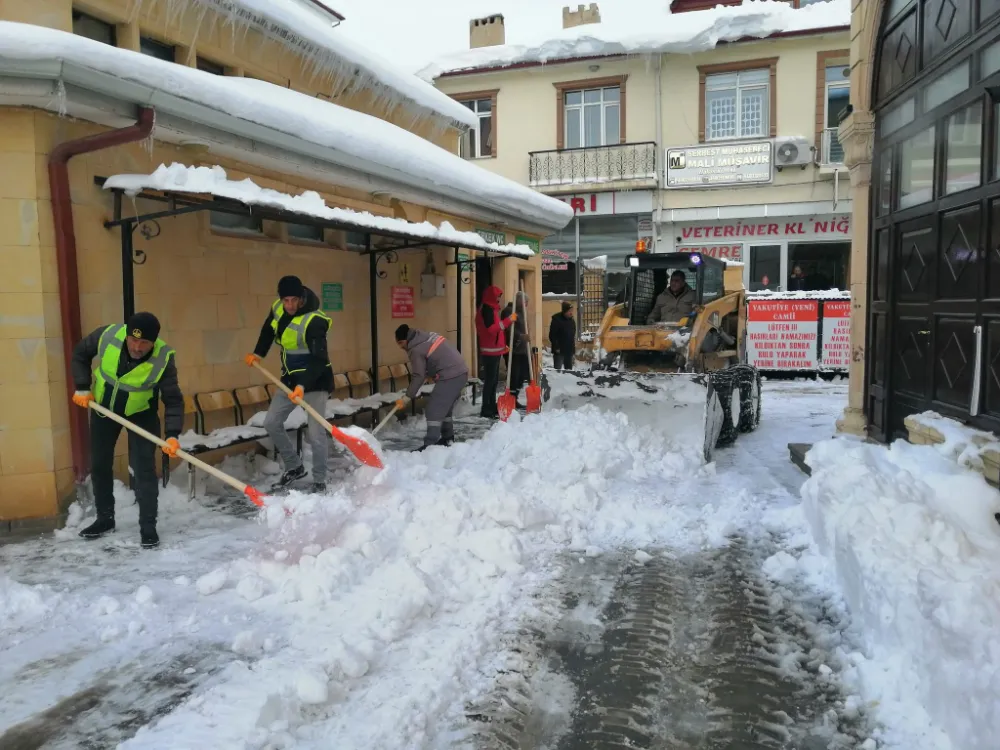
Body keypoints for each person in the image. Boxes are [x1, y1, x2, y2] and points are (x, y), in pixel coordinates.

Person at [71, 312, 183, 548]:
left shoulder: (164, 357)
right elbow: (80, 354)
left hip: (141, 414)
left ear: (153, 342)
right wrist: (82, 386)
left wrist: (172, 435)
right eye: (133, 339)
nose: (137, 346)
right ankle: (104, 519)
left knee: (144, 469)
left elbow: (173, 400)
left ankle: (148, 527)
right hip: (104, 409)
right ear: (127, 334)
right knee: (100, 464)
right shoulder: (107, 335)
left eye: (144, 343)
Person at [245, 275, 332, 492]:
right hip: (289, 380)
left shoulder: (315, 320)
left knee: (315, 433)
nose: (290, 305)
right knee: (272, 422)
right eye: (286, 300)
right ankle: (294, 466)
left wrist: (303, 385)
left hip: (315, 381)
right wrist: (258, 353)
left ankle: (320, 480)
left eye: (294, 300)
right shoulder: (277, 308)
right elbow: (267, 330)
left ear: (302, 298)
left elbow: (319, 359)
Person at [394, 325, 469, 450]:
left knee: (433, 409)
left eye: (401, 343)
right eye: (398, 344)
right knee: (444, 408)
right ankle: (447, 438)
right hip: (460, 373)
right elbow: (434, 359)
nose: (401, 347)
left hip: (451, 376)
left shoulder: (415, 349)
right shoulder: (424, 337)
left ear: (407, 339)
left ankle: (430, 446)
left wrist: (408, 396)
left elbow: (418, 375)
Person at [475, 285, 516, 419]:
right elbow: (492, 330)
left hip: (494, 350)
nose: (499, 299)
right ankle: (487, 409)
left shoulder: (491, 309)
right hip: (490, 351)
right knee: (490, 381)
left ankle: (491, 407)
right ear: (492, 296)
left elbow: (495, 332)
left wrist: (502, 346)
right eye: (498, 296)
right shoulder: (487, 310)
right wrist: (508, 320)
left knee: (493, 381)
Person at [509, 291, 531, 399]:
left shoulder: (523, 314)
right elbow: (510, 329)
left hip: (523, 349)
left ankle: (516, 396)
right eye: (525, 302)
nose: (526, 305)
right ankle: (512, 397)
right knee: (515, 375)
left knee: (523, 375)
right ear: (519, 302)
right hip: (515, 349)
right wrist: (521, 336)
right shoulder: (511, 312)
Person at [549, 301, 577, 371]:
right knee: (557, 371)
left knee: (569, 372)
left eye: (572, 311)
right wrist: (556, 347)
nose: (571, 313)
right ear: (564, 311)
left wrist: (572, 350)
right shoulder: (556, 320)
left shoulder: (571, 320)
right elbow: (552, 335)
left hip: (569, 350)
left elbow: (572, 335)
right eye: (569, 311)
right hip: (559, 351)